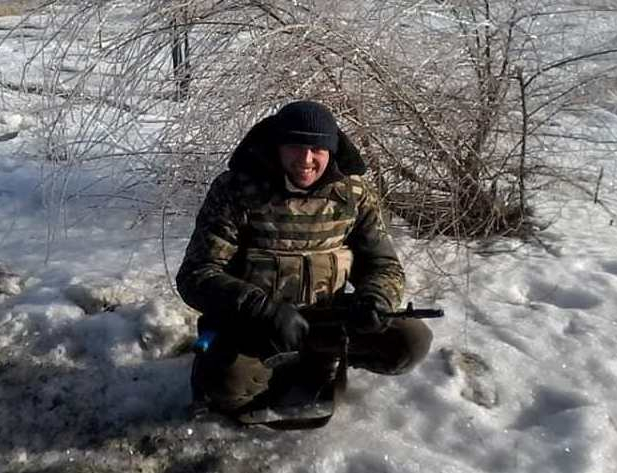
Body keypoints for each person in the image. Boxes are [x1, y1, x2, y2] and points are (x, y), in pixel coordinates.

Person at [176, 100, 432, 417]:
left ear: (331, 150)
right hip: (255, 326)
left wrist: (376, 299)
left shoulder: (352, 192)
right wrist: (262, 309)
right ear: (278, 146)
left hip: (329, 318)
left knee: (411, 341)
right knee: (225, 387)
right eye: (295, 146)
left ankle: (317, 359)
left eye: (317, 149)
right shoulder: (236, 190)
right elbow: (196, 275)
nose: (306, 159)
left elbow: (383, 265)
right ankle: (267, 373)